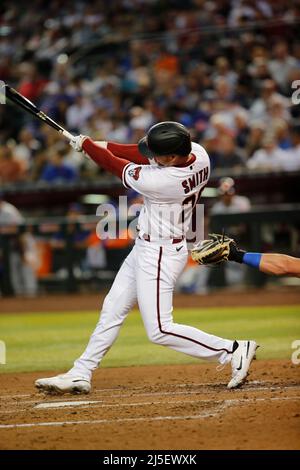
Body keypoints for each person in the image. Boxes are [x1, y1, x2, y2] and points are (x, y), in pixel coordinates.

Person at [35, 121, 258, 394]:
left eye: (158, 155)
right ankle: (81, 371)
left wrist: (91, 149)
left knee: (160, 329)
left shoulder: (162, 182)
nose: (151, 157)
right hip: (147, 246)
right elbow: (134, 152)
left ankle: (232, 350)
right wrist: (90, 144)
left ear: (172, 157)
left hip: (161, 253)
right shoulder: (199, 153)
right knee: (112, 308)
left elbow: (117, 165)